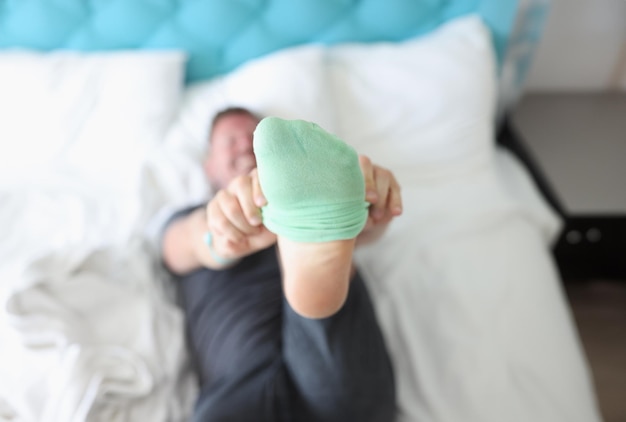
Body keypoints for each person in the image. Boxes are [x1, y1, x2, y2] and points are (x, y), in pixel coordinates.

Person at [161, 107, 402, 422]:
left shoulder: (326, 186)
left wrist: (371, 203)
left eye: (252, 137)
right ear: (209, 166)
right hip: (243, 391)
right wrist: (219, 237)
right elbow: (184, 244)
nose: (246, 145)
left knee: (338, 359)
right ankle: (314, 249)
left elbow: (369, 234)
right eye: (230, 141)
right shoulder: (186, 218)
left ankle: (320, 244)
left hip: (333, 370)